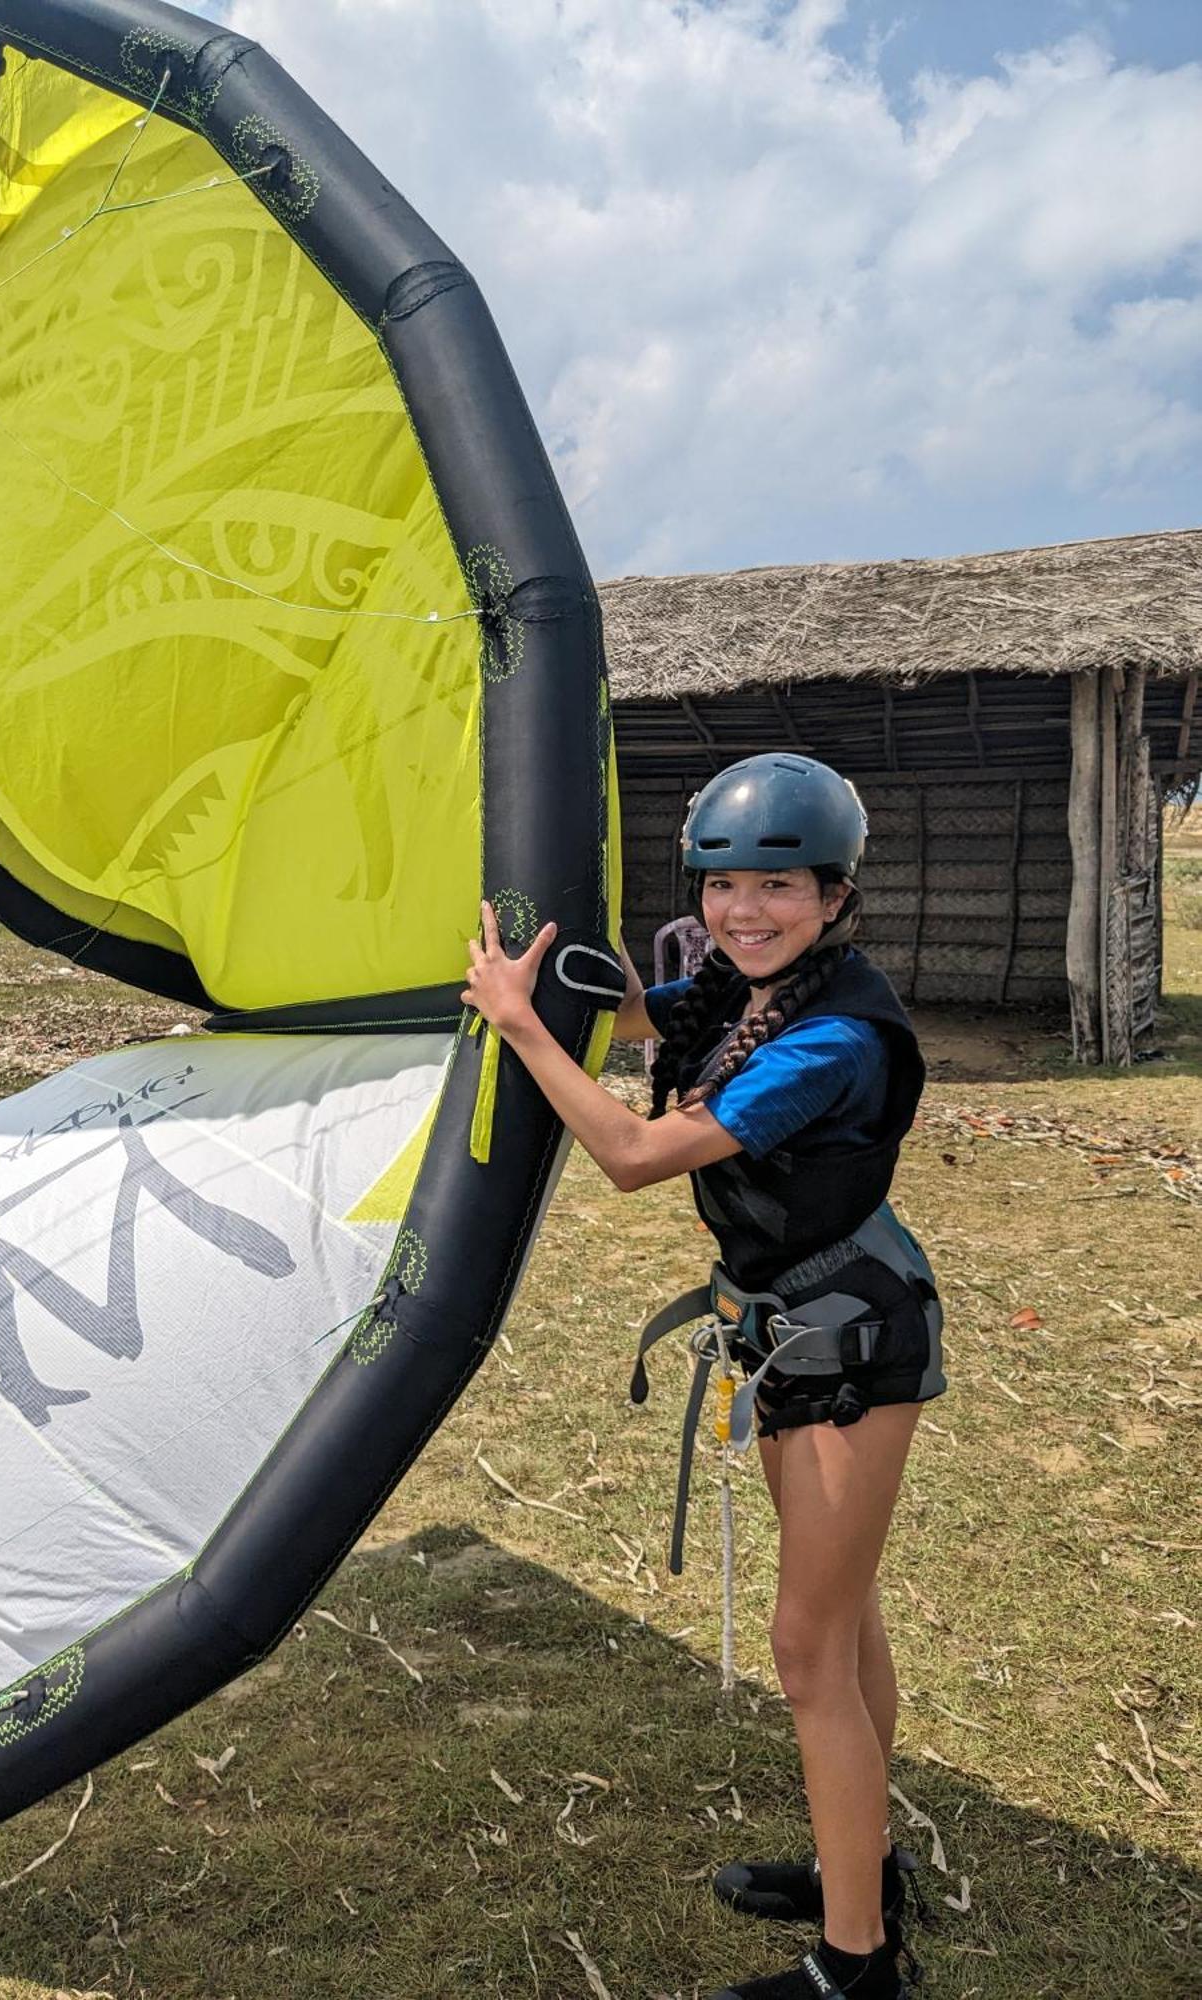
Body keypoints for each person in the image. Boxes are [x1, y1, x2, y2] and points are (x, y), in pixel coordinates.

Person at [461, 752, 945, 2000]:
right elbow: (648, 1016)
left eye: (779, 883)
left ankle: (855, 1967)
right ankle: (866, 1868)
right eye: (724, 882)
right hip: (794, 1326)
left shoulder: (828, 1039)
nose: (745, 909)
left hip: (850, 1340)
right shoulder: (750, 986)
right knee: (849, 1623)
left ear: (836, 895)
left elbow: (632, 1151)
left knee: (806, 1650)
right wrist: (567, 967)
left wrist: (516, 1022)